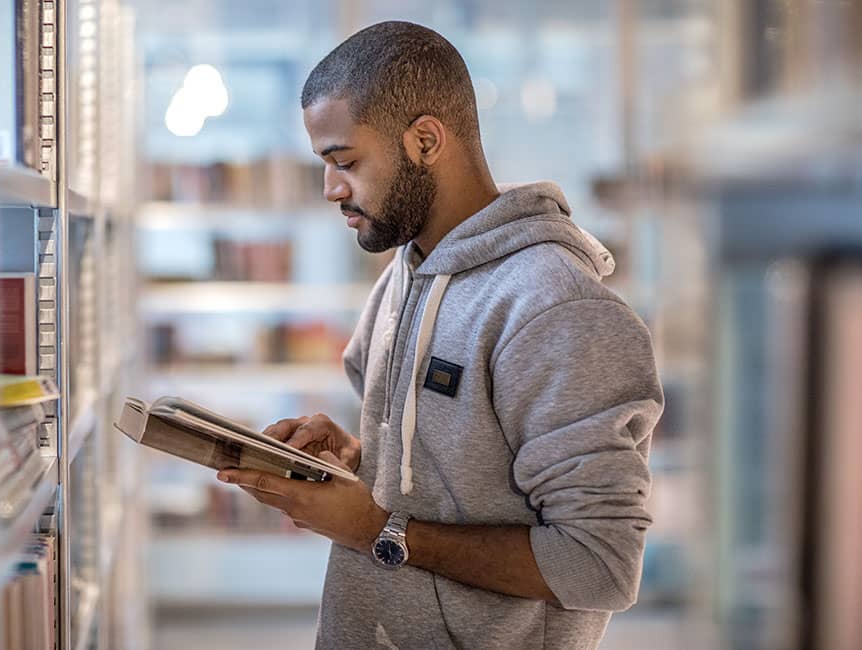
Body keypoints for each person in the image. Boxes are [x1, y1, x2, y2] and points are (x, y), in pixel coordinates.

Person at [216, 20, 664, 649]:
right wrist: (351, 462)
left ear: (425, 140)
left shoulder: (557, 309)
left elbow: (600, 565)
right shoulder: (403, 275)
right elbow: (435, 473)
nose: (330, 189)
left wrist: (377, 527)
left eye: (345, 161)